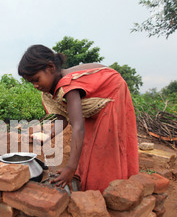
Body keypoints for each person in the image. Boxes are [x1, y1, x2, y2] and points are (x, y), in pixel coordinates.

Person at [18, 44, 139, 193]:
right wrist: (48, 135)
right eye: (31, 82)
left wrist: (70, 168)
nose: (35, 85)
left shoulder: (69, 86)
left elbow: (77, 127)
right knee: (88, 146)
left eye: (37, 79)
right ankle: (88, 183)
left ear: (50, 68)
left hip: (112, 93)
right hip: (94, 103)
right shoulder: (50, 92)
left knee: (104, 149)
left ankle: (108, 191)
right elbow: (63, 117)